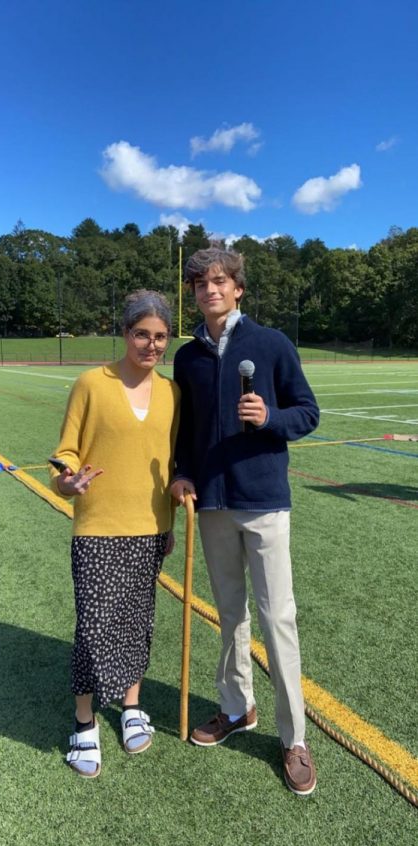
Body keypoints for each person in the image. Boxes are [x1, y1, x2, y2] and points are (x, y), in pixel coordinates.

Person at [171, 247, 320, 796]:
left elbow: (308, 411)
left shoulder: (272, 344)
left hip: (263, 502)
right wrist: (184, 472)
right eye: (200, 283)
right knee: (229, 613)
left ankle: (295, 738)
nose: (209, 290)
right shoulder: (187, 357)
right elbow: (184, 431)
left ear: (237, 289)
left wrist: (270, 418)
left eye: (219, 281)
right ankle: (237, 710)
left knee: (276, 617)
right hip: (211, 503)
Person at [50, 290, 180, 778]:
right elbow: (65, 451)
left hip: (151, 528)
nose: (150, 345)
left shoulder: (172, 393)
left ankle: (131, 707)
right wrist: (66, 480)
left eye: (160, 336)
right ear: (125, 334)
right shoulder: (91, 384)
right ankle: (84, 722)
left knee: (137, 621)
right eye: (141, 334)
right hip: (99, 528)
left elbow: (169, 465)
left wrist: (171, 522)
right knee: (92, 629)